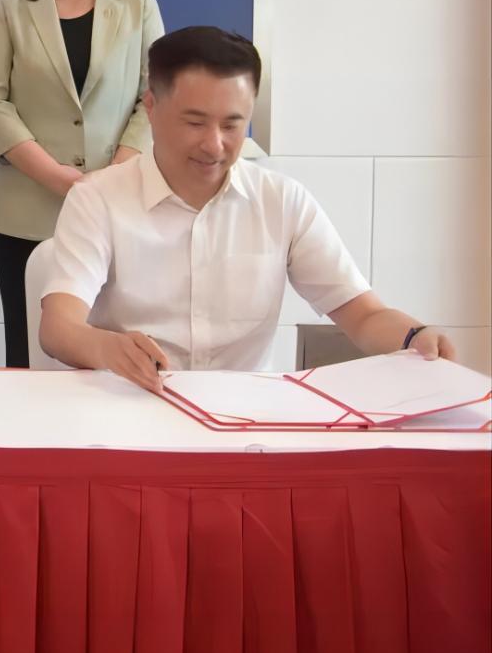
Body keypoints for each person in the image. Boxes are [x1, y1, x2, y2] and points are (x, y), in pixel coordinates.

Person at [38, 28, 456, 387]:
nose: (214, 144)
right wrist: (107, 348)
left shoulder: (281, 201)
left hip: (246, 422)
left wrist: (414, 337)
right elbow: (58, 328)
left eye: (232, 124)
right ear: (151, 107)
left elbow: (363, 316)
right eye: (195, 123)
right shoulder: (98, 199)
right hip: (131, 408)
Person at [0, 0, 163, 368]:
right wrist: (59, 178)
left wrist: (112, 176)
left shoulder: (138, 2)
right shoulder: (7, 5)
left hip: (120, 202)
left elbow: (154, 98)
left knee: (113, 340)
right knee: (27, 344)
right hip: (26, 206)